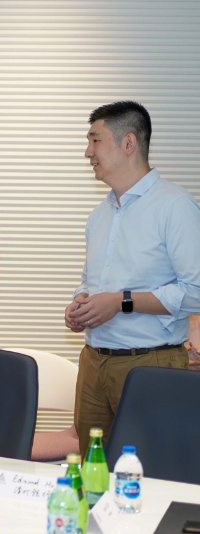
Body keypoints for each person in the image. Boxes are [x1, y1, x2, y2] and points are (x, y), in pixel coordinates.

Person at [65, 101, 200, 455]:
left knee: (149, 470)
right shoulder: (100, 214)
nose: (87, 152)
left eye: (95, 140)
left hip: (151, 363)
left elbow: (195, 291)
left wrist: (121, 302)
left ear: (128, 143)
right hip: (93, 363)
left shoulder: (175, 206)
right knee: (92, 469)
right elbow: (90, 280)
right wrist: (81, 302)